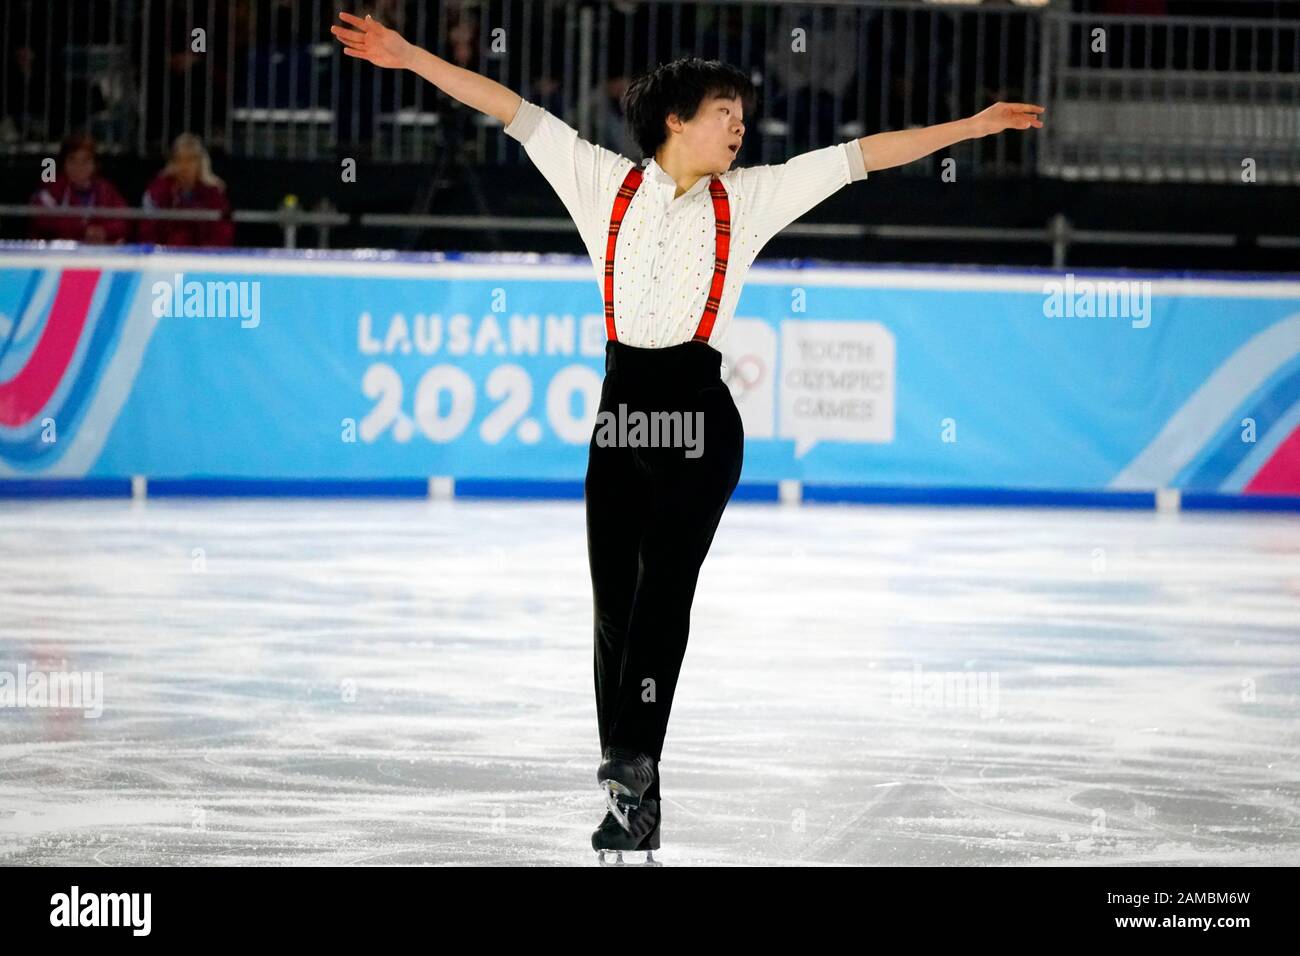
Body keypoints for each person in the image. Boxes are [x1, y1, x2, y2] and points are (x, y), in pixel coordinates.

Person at [331, 9, 1043, 864]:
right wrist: (409, 57)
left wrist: (971, 126)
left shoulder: (751, 198)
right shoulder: (602, 182)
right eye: (724, 113)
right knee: (612, 611)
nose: (740, 128)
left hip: (700, 419)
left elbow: (862, 156)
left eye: (745, 117)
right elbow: (510, 107)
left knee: (665, 585)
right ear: (676, 119)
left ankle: (633, 762)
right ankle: (631, 791)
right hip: (622, 411)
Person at [28, 134, 129, 244]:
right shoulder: (50, 187)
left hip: (97, 255)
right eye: (73, 160)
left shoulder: (106, 189)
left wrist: (104, 231)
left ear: (95, 165)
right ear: (64, 163)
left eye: (85, 161)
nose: (79, 167)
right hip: (57, 255)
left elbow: (123, 221)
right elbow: (44, 221)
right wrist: (83, 231)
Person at [138, 133, 235, 247]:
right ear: (173, 162)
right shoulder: (157, 191)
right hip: (164, 257)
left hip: (202, 258)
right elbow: (147, 231)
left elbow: (223, 233)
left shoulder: (214, 194)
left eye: (190, 160)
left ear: (200, 163)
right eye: (180, 159)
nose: (184, 166)